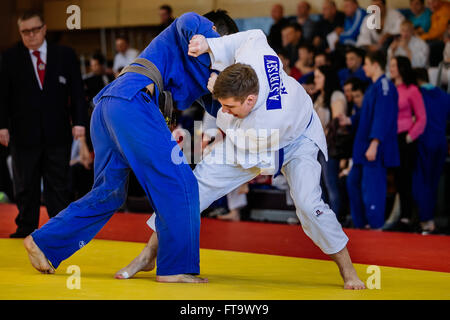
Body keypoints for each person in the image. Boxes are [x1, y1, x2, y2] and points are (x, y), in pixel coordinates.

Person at [118, 29, 366, 290]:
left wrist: (223, 111)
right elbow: (253, 34)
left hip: (297, 139)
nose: (223, 110)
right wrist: (209, 44)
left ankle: (348, 270)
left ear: (250, 99)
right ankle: (149, 254)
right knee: (193, 188)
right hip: (255, 135)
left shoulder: (268, 118)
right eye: (222, 104)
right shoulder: (255, 54)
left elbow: (238, 132)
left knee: (307, 203)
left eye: (229, 106)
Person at [23, 11, 238, 283]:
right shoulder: (194, 31)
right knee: (179, 181)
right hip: (131, 103)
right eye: (227, 45)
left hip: (108, 108)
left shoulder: (206, 75)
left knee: (109, 193)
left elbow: (226, 107)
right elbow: (187, 19)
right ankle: (175, 267)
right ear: (218, 35)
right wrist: (216, 56)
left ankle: (44, 243)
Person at [0, 10, 87, 238]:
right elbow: (2, 96)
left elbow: (78, 92)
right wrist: (2, 126)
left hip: (57, 131)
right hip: (23, 133)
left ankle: (58, 230)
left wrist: (79, 123)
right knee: (25, 183)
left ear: (44, 29)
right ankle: (25, 227)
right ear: (20, 32)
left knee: (58, 183)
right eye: (25, 32)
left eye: (35, 30)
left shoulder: (65, 55)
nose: (30, 35)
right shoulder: (9, 57)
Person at [340, 51, 400, 230]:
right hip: (362, 148)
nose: (363, 67)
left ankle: (375, 226)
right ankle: (361, 225)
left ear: (375, 65)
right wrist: (350, 120)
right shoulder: (373, 87)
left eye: (366, 64)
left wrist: (375, 143)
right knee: (353, 183)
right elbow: (367, 114)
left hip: (373, 148)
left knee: (372, 189)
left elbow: (383, 116)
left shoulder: (384, 86)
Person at [385, 56, 426, 232]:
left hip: (404, 139)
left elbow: (422, 117)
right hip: (391, 139)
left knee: (405, 180)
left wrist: (410, 136)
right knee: (394, 179)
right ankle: (396, 216)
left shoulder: (412, 90)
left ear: (402, 68)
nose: (391, 68)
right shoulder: (390, 88)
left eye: (394, 65)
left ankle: (406, 217)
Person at [412, 68, 450, 234]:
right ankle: (430, 220)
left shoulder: (417, 94)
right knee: (434, 182)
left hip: (424, 141)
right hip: (440, 142)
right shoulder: (444, 95)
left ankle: (425, 220)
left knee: (422, 182)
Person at [313, 66, 348, 217]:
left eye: (319, 77)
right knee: (320, 185)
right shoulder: (320, 97)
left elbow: (337, 119)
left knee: (330, 183)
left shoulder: (336, 95)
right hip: (318, 146)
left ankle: (335, 218)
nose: (316, 80)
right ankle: (324, 218)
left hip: (329, 146)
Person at [420, 0, 450, 66]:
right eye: (428, 3)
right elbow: (432, 30)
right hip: (437, 38)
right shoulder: (435, 11)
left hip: (442, 40)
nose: (431, 5)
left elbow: (439, 32)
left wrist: (422, 37)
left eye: (433, 2)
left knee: (430, 47)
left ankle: (434, 69)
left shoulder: (445, 10)